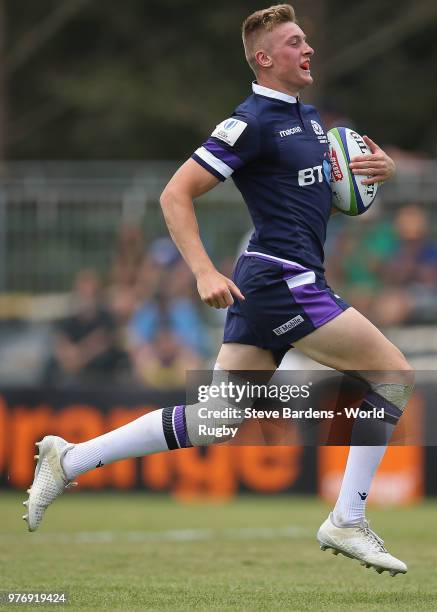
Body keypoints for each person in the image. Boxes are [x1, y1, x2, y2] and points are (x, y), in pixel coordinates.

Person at [24, 5, 414, 577]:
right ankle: (347, 519)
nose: (308, 50)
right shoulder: (250, 120)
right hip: (284, 279)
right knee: (393, 374)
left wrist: (372, 175)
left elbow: (313, 199)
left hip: (275, 276)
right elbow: (175, 194)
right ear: (263, 58)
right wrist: (204, 271)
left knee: (216, 421)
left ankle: (72, 456)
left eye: (306, 40)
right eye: (294, 42)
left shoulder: (308, 120)